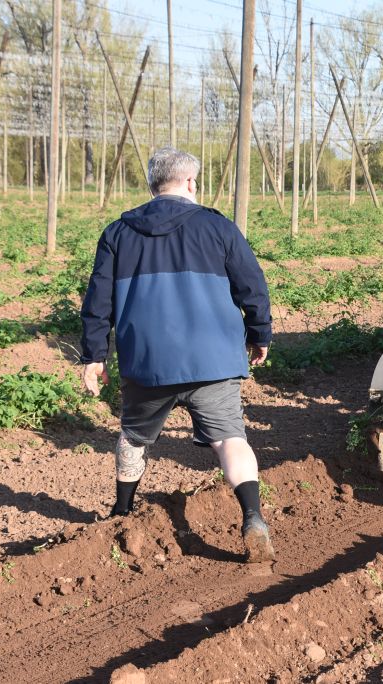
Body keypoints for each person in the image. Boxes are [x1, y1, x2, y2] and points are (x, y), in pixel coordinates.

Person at [79, 147, 276, 563]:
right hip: (213, 359)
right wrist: (260, 334)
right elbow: (252, 285)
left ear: (153, 185)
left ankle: (121, 511)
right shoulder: (217, 227)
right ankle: (254, 517)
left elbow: (98, 300)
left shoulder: (118, 232)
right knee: (230, 438)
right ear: (190, 183)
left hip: (147, 362)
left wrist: (94, 355)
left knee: (133, 437)